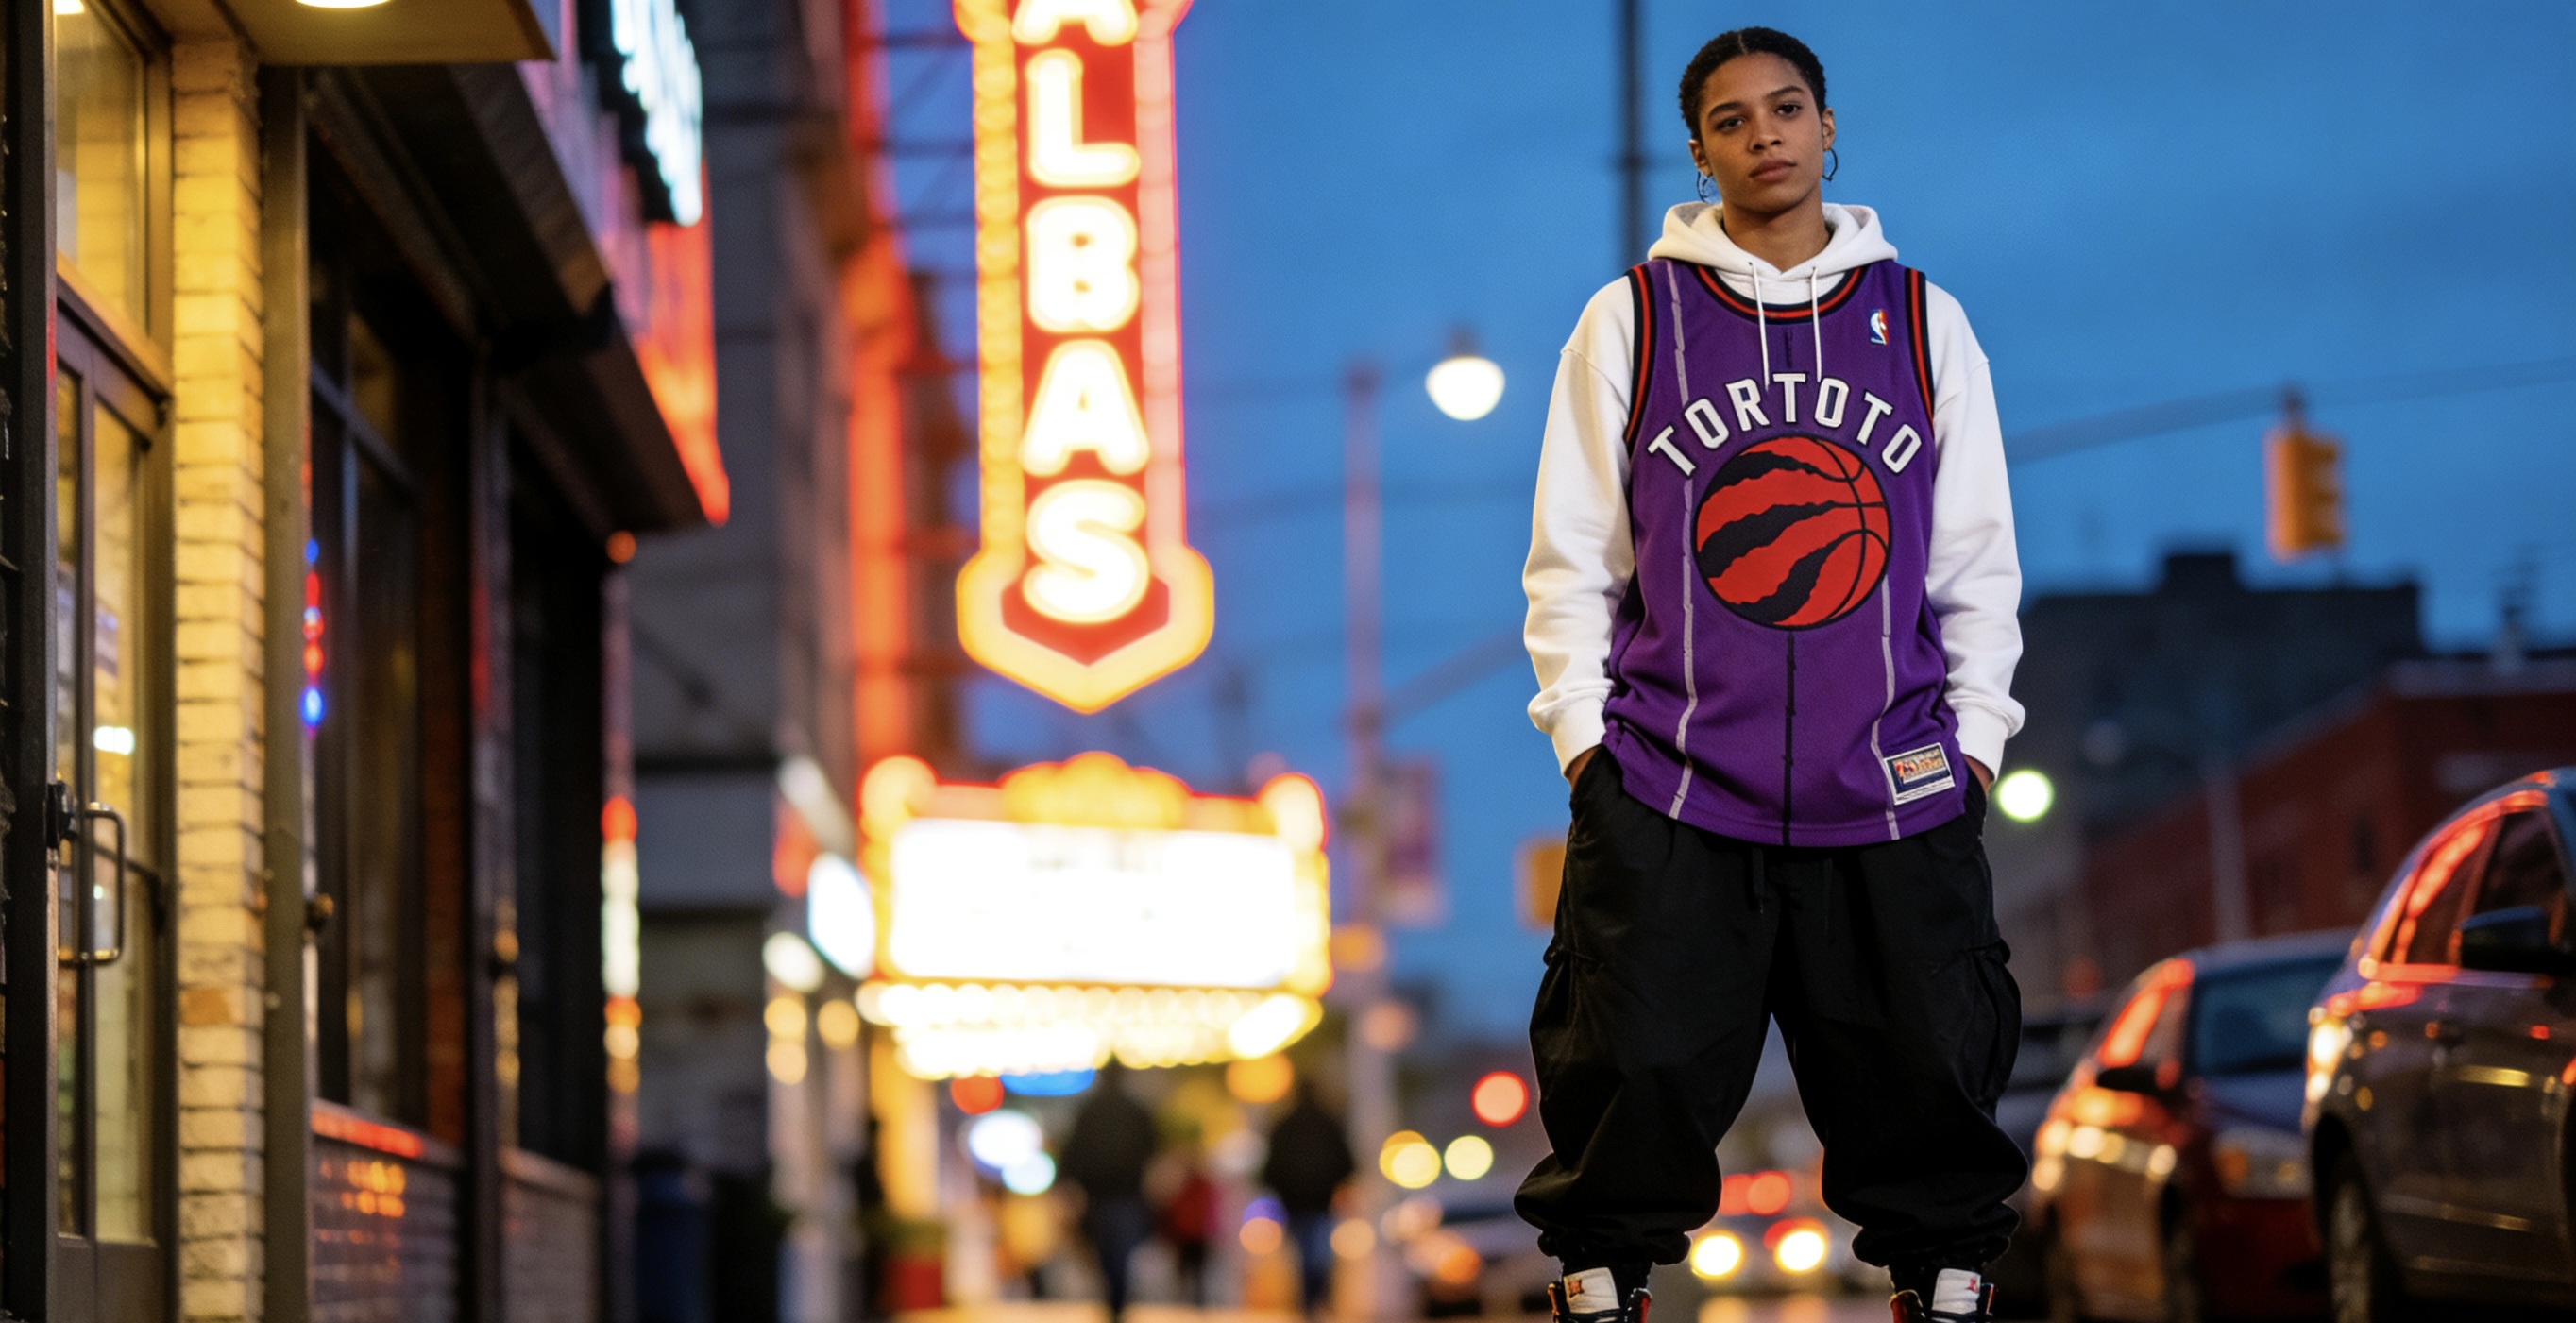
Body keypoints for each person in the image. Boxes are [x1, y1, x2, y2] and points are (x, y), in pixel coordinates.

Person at [1516, 25, 2026, 1323]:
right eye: (1732, 120)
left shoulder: (1924, 319)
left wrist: (1973, 749)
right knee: (1633, 1074)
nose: (1765, 136)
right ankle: (1602, 1291)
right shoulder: (1632, 318)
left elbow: (1974, 562)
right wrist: (1587, 745)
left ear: (1827, 127)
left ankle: (1946, 1292)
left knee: (1927, 1080)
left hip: (1893, 785)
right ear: (1700, 153)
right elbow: (1573, 559)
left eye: (1786, 109)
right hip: (1673, 783)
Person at [1057, 1063, 1159, 1322]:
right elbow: (1152, 1147)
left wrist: (1068, 1181)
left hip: (1101, 1196)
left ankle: (1114, 1303)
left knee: (1107, 1253)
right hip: (1125, 1195)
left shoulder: (1090, 1109)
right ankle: (1117, 1303)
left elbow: (1073, 1150)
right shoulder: (1134, 1109)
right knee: (1121, 1252)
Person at [1260, 1080, 1355, 1321]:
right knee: (1320, 1254)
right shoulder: (1329, 1122)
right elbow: (1346, 1161)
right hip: (1322, 1202)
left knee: (1304, 1253)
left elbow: (1271, 1166)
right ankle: (1317, 1298)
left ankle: (1309, 1302)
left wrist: (1278, 1187)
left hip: (1294, 1202)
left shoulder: (1285, 1124)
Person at [1158, 1146, 1217, 1307]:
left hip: (1196, 1236)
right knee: (1186, 1272)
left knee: (1195, 1273)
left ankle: (1194, 1301)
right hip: (1186, 1236)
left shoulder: (1197, 1186)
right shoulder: (1183, 1186)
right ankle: (1184, 1300)